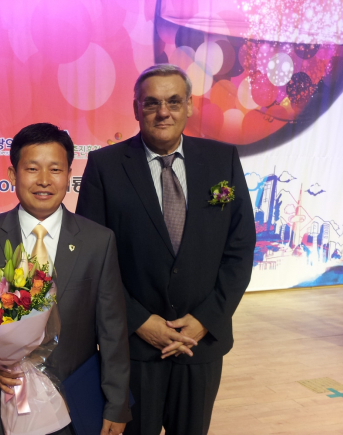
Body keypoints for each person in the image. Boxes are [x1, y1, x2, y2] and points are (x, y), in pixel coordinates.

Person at [76, 64, 256, 435]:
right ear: (136, 108)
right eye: (152, 103)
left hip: (200, 344)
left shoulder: (222, 160)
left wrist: (205, 319)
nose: (163, 112)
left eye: (174, 101)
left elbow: (239, 250)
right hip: (134, 347)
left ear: (189, 106)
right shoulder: (105, 167)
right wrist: (139, 321)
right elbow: (91, 259)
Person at [0, 123, 131, 435]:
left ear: (69, 175)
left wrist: (117, 403)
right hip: (5, 398)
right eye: (32, 168)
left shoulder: (98, 241)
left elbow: (112, 330)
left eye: (55, 169)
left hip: (76, 399)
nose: (43, 180)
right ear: (13, 174)